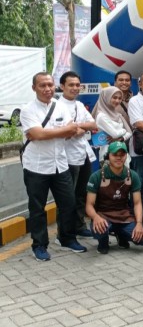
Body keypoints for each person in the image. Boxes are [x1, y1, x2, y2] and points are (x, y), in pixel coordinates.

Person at [20, 72, 87, 261]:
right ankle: (39, 245)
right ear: (34, 88)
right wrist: (62, 131)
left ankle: (66, 238)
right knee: (37, 208)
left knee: (68, 203)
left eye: (50, 85)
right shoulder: (28, 110)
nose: (48, 89)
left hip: (60, 164)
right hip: (37, 166)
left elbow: (71, 131)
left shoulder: (60, 107)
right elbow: (36, 134)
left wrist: (50, 132)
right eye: (42, 85)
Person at [85, 141, 143, 254]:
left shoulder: (132, 175)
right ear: (108, 156)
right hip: (103, 216)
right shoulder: (96, 176)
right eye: (115, 155)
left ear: (126, 156)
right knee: (101, 231)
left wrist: (139, 223)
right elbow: (89, 205)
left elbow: (138, 203)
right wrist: (95, 217)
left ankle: (122, 235)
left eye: (122, 155)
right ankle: (103, 242)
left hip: (124, 216)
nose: (119, 158)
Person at [58, 71, 97, 238]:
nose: (75, 88)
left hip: (83, 154)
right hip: (67, 158)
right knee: (67, 197)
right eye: (71, 85)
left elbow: (93, 124)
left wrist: (77, 126)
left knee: (81, 193)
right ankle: (65, 233)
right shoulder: (57, 106)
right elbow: (62, 132)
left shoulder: (79, 105)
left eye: (77, 85)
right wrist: (77, 129)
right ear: (62, 86)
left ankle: (79, 225)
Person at [94, 86, 132, 164]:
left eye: (119, 98)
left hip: (122, 152)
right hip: (108, 155)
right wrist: (124, 131)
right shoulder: (101, 116)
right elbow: (114, 134)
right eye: (114, 97)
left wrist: (121, 139)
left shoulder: (118, 115)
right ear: (106, 97)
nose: (117, 100)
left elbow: (130, 133)